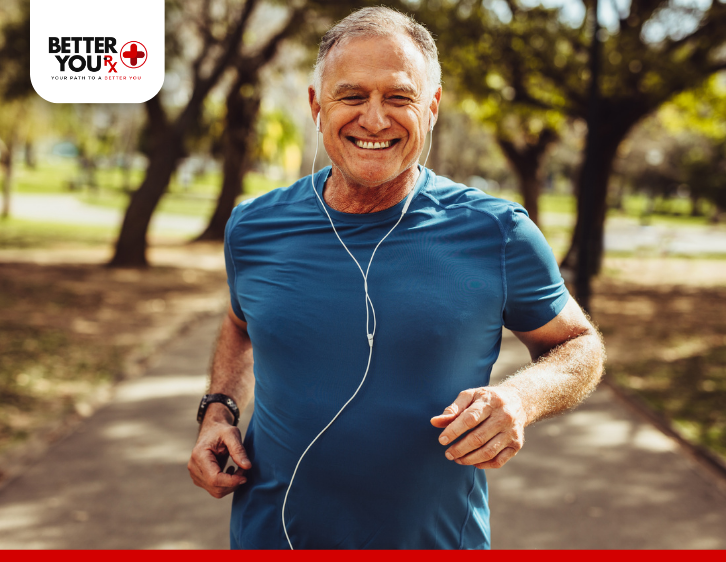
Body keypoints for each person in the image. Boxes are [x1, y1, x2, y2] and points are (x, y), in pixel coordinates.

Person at [188, 7, 604, 550]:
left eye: (399, 97)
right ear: (317, 106)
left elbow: (580, 345)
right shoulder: (253, 226)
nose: (375, 119)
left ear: (431, 108)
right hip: (267, 537)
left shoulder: (498, 232)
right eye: (352, 96)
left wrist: (521, 399)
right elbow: (241, 323)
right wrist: (217, 411)